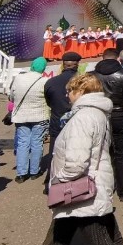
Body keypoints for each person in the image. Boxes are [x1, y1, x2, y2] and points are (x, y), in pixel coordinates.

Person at [9, 73, 123, 245]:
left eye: (70, 90)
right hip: (91, 180)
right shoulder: (96, 113)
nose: (67, 94)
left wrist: (61, 180)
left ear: (81, 91)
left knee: (93, 231)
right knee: (64, 232)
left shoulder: (83, 117)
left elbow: (76, 160)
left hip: (80, 183)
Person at [91, 49, 123, 201]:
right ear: (117, 58)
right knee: (122, 153)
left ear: (102, 57)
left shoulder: (92, 75)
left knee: (99, 152)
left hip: (99, 115)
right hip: (121, 115)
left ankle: (101, 189)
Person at [42, 52, 81, 190]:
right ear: (77, 65)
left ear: (63, 65)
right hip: (77, 122)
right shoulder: (82, 82)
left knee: (54, 152)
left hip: (57, 120)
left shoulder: (51, 82)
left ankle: (50, 183)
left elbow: (49, 101)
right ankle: (76, 183)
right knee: (78, 152)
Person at [10, 58, 50, 183]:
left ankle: (21, 173)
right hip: (40, 116)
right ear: (43, 68)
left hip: (21, 116)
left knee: (22, 143)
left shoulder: (18, 78)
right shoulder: (45, 81)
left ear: (32, 66)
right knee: (37, 143)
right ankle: (34, 171)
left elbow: (11, 96)